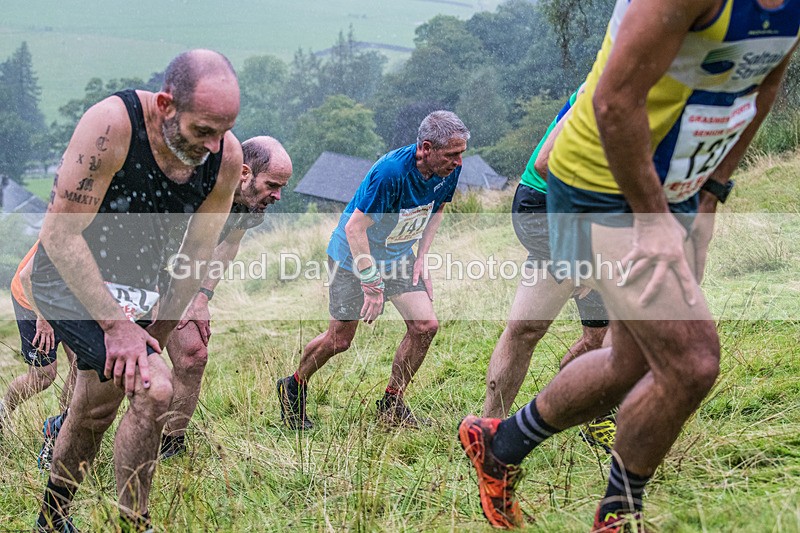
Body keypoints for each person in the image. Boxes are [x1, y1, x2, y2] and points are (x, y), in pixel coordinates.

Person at [459, 0, 800, 530]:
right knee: (692, 360)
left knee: (630, 360)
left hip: (672, 185)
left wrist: (711, 193)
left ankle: (500, 444)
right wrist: (653, 220)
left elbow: (763, 88)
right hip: (599, 183)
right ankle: (618, 516)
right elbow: (613, 102)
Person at [30, 49, 242, 532]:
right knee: (155, 389)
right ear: (166, 105)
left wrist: (158, 332)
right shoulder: (112, 126)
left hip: (139, 284)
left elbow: (196, 253)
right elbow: (59, 235)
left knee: (95, 409)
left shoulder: (225, 158)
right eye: (202, 130)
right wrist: (117, 328)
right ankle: (135, 523)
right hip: (66, 275)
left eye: (224, 130)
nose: (213, 145)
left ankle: (50, 521)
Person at [277, 111, 469, 430]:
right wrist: (371, 282)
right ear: (426, 148)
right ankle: (293, 385)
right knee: (339, 340)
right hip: (352, 255)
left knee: (425, 326)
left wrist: (421, 257)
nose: (459, 161)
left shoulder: (449, 169)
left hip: (397, 255)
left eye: (461, 153)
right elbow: (355, 228)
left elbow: (438, 209)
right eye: (452, 154)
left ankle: (391, 404)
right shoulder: (391, 172)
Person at [482, 85, 615, 452]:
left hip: (595, 217)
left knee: (598, 335)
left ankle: (590, 413)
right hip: (547, 206)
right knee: (528, 330)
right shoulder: (610, 81)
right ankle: (489, 431)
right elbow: (546, 162)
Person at [159, 135, 292, 458]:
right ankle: (63, 431)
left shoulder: (250, 204)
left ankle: (171, 444)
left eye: (281, 188)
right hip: (140, 266)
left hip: (180, 277)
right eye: (272, 185)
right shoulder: (196, 185)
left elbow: (229, 243)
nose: (277, 196)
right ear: (245, 173)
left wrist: (200, 297)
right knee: (102, 365)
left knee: (193, 356)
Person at [0, 241, 76, 456]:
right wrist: (43, 318)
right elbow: (26, 276)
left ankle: (63, 430)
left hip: (66, 302)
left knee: (82, 365)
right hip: (31, 299)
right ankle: (2, 411)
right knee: (43, 375)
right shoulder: (66, 233)